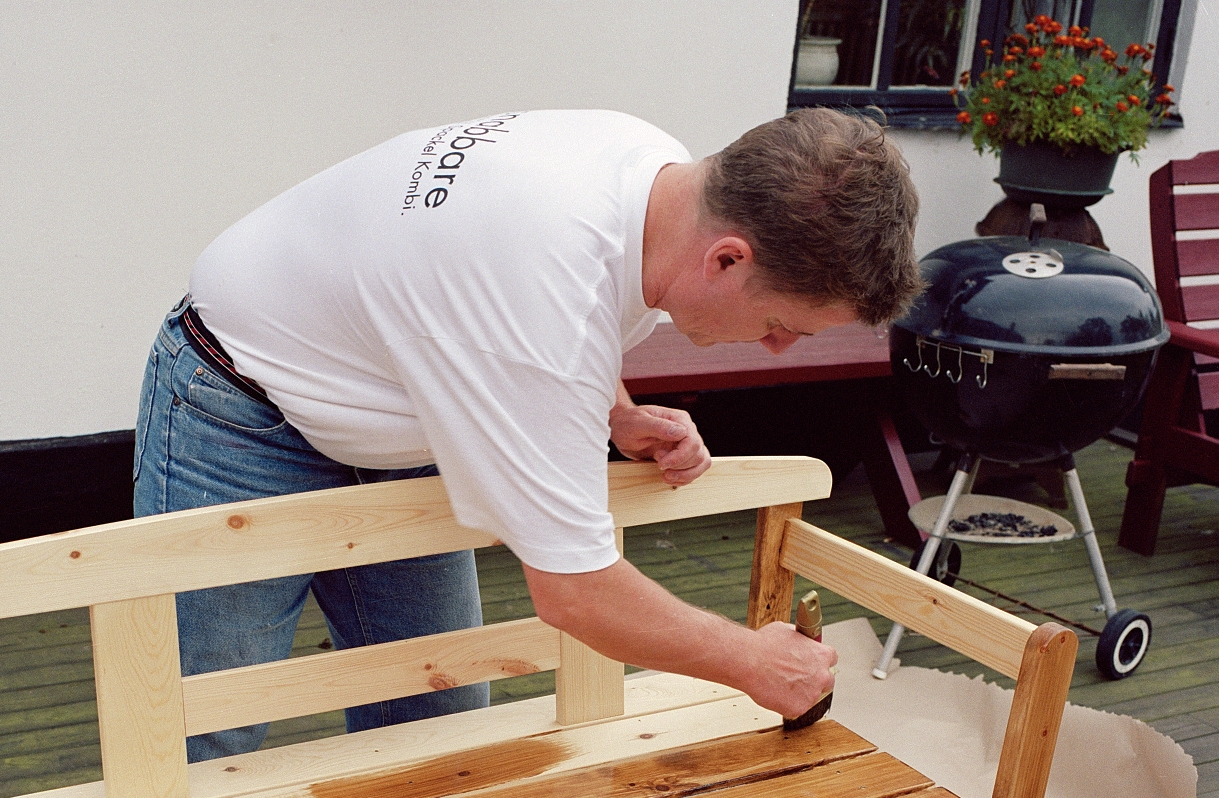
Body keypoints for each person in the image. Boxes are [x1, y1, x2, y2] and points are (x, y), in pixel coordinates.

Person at [133, 107, 922, 761]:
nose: (778, 347)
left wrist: (610, 411)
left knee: (442, 712)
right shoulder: (540, 288)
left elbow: (555, 328)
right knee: (206, 726)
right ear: (726, 258)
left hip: (405, 414)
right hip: (236, 402)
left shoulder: (655, 179)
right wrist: (753, 660)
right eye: (781, 324)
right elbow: (575, 592)